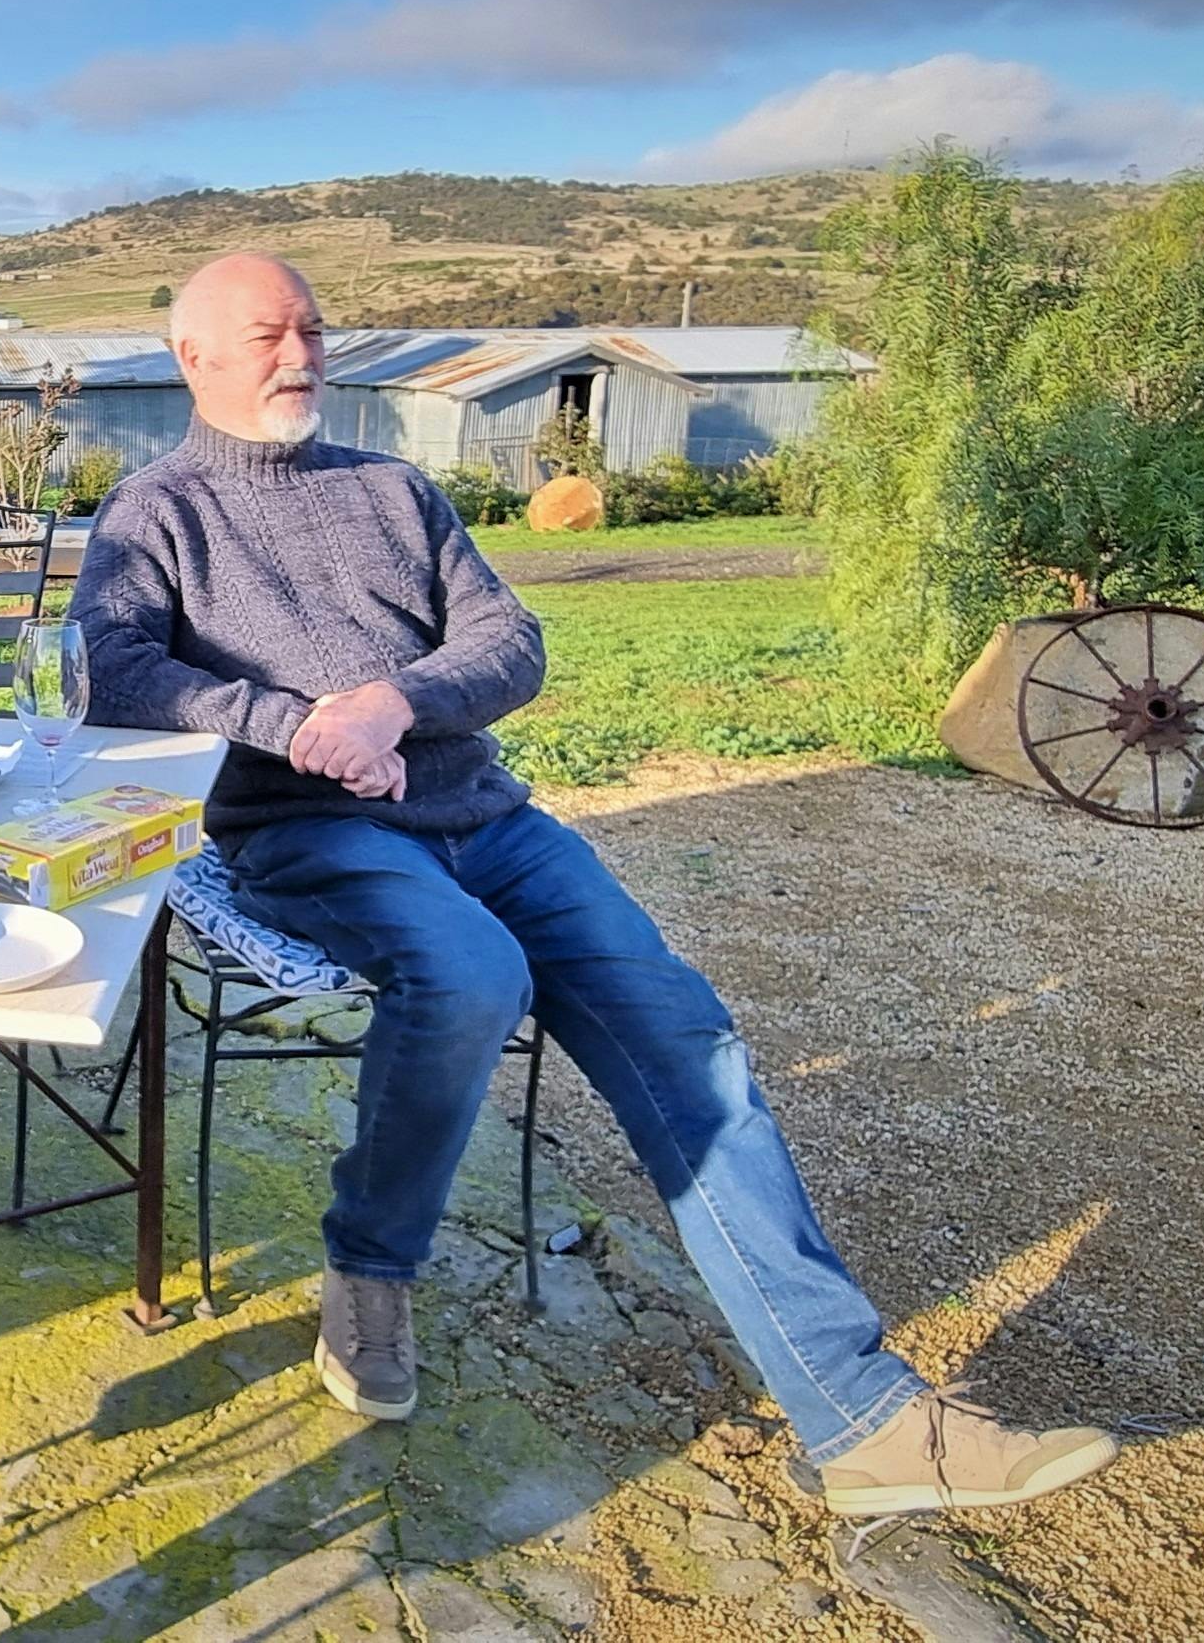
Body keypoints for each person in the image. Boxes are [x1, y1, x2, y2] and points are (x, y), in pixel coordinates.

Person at [70, 251, 1116, 1516]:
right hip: (306, 828)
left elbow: (511, 643)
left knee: (686, 1036)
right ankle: (370, 1268)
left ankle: (862, 1420)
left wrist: (399, 700)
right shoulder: (156, 511)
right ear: (192, 357)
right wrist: (295, 726)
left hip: (488, 817)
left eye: (312, 326)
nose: (300, 355)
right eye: (265, 335)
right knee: (468, 970)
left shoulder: (396, 491)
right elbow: (114, 672)